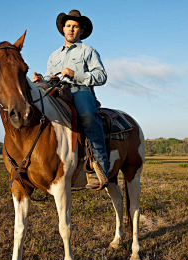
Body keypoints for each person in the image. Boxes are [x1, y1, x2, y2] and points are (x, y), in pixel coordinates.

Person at [32, 10, 108, 189]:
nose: (71, 29)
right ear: (63, 29)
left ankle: (98, 168)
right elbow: (51, 78)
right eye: (68, 26)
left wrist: (75, 74)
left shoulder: (88, 51)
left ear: (81, 30)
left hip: (80, 90)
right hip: (57, 91)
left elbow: (101, 76)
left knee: (88, 116)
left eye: (75, 26)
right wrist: (41, 81)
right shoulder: (54, 55)